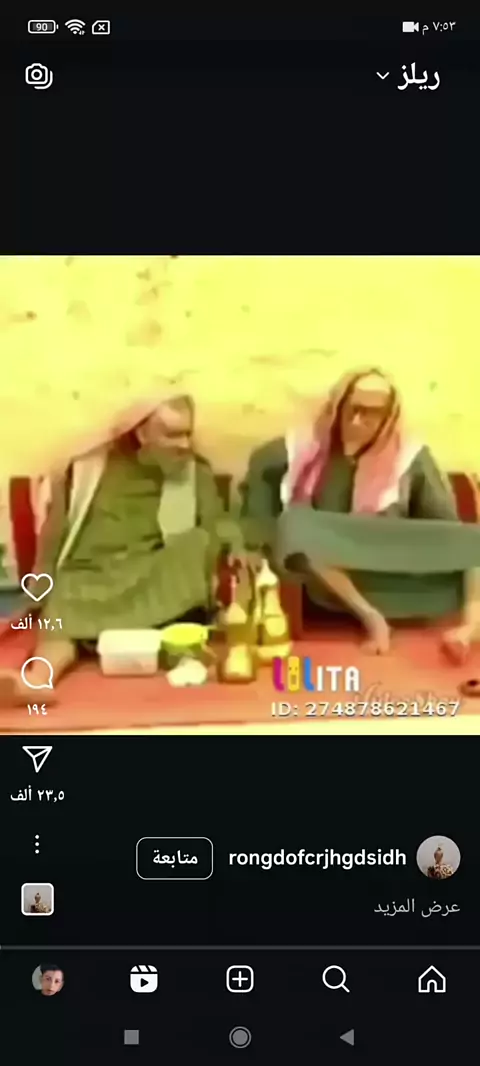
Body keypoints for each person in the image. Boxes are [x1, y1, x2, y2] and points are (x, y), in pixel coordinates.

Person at [0, 395, 238, 705]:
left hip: (153, 569)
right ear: (141, 434)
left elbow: (217, 523)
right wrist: (39, 588)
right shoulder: (86, 470)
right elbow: (55, 532)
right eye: (172, 435)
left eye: (187, 434)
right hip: (90, 573)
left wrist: (238, 546)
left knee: (196, 544)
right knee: (63, 602)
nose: (184, 444)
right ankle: (38, 681)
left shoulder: (194, 471)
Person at [240, 368, 480, 654]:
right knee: (295, 525)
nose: (356, 421)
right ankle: (372, 617)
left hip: (392, 561)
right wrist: (256, 536)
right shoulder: (305, 446)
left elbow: (448, 532)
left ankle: (469, 629)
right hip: (328, 572)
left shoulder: (411, 458)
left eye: (371, 413)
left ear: (388, 416)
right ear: (337, 406)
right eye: (351, 409)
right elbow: (261, 466)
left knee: (471, 542)